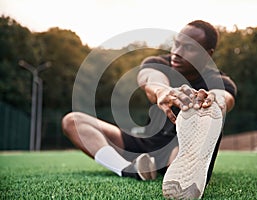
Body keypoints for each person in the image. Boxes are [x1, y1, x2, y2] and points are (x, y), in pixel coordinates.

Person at [62, 20, 237, 199]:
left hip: (178, 146)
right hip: (146, 145)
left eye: (189, 48)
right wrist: (162, 91)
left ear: (207, 55)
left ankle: (187, 167)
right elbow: (150, 78)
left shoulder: (218, 80)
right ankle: (128, 169)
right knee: (73, 121)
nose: (177, 52)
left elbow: (223, 97)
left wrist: (214, 101)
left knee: (205, 122)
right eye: (177, 43)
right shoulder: (157, 63)